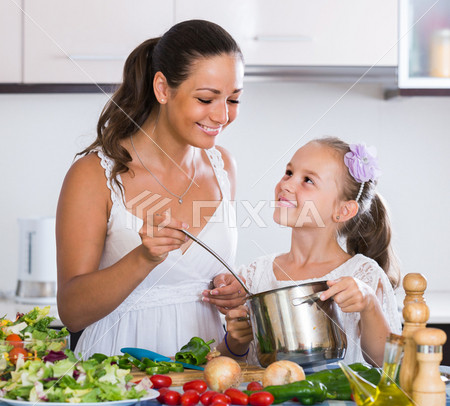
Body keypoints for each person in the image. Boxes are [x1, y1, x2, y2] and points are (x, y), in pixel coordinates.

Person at [56, 20, 247, 358]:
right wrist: (143, 257)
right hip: (116, 373)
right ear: (162, 88)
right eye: (206, 99)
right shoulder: (93, 175)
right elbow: (72, 312)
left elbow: (207, 280)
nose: (222, 116)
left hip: (203, 376)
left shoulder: (223, 166)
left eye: (233, 100)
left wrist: (231, 292)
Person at [203, 137, 402, 367]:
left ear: (344, 209)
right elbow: (228, 366)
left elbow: (388, 364)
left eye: (308, 180)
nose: (286, 185)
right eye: (289, 172)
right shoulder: (255, 274)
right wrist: (235, 341)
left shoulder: (363, 275)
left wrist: (369, 304)